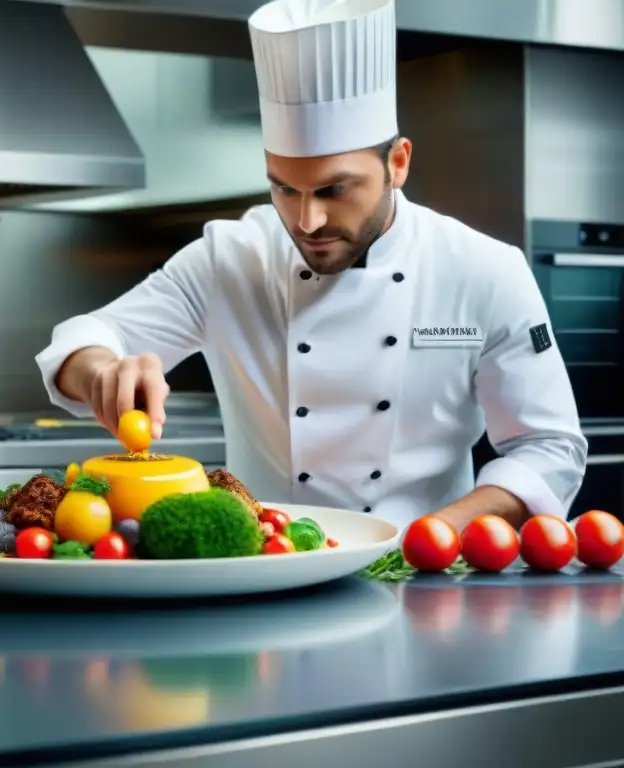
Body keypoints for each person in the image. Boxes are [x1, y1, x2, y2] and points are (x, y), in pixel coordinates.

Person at [34, 0, 587, 531]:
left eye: (334, 189)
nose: (308, 220)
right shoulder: (229, 258)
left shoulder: (484, 271)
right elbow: (88, 336)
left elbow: (548, 447)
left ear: (397, 163)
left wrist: (436, 533)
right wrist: (102, 370)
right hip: (265, 571)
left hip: (425, 575)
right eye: (284, 189)